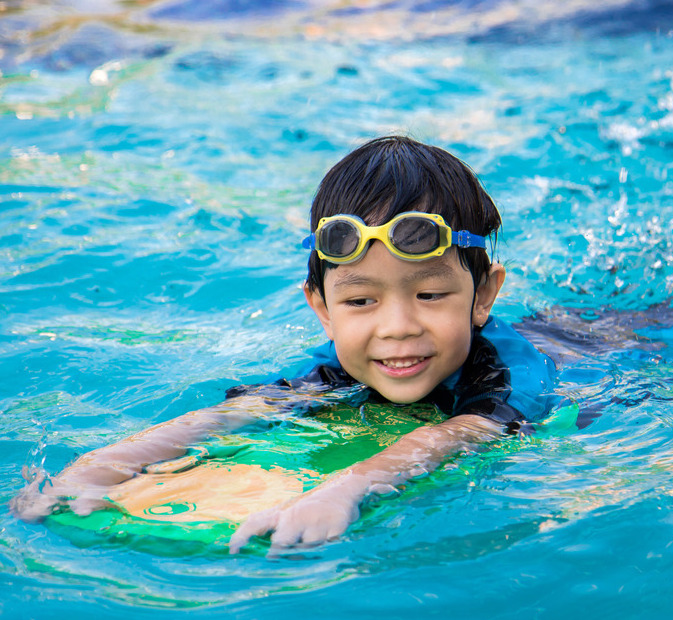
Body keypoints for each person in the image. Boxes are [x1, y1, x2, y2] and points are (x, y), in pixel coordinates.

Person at [11, 136, 562, 553]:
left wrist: (347, 488)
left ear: (484, 294)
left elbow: (463, 433)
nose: (397, 327)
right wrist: (101, 466)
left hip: (597, 342)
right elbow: (233, 414)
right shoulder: (340, 366)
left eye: (431, 293)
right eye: (360, 302)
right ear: (321, 308)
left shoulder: (510, 371)